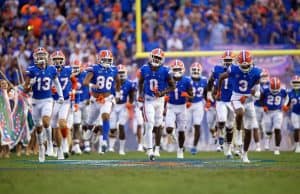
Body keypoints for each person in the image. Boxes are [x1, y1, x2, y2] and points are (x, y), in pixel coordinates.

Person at [217, 50, 262, 163]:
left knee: (248, 130)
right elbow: (221, 77)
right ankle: (237, 134)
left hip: (249, 101)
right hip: (236, 97)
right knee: (240, 112)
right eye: (243, 64)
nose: (245, 67)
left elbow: (257, 93)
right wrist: (218, 91)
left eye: (247, 64)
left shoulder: (256, 72)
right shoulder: (234, 69)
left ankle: (245, 154)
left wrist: (253, 94)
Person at [23, 47, 64, 162]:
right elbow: (25, 90)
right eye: (38, 56)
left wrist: (60, 96)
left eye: (42, 55)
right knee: (38, 127)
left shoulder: (51, 69)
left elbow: (56, 83)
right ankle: (41, 146)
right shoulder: (31, 70)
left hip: (47, 100)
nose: (41, 58)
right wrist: (30, 84)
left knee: (46, 121)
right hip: (35, 101)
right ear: (35, 57)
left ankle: (50, 144)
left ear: (46, 57)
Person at [138, 48, 175, 160]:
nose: (157, 59)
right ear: (151, 57)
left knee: (158, 125)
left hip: (160, 100)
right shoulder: (144, 69)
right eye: (155, 57)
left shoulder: (165, 70)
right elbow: (140, 82)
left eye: (159, 58)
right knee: (150, 124)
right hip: (148, 100)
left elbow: (173, 86)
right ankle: (150, 151)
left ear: (162, 59)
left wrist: (162, 93)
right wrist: (140, 94)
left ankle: (157, 149)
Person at [83, 50, 120, 154]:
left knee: (105, 116)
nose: (107, 62)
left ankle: (104, 141)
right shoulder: (94, 68)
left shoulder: (113, 69)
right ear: (99, 59)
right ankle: (91, 130)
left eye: (109, 60)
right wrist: (92, 85)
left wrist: (118, 94)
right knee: (90, 122)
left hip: (107, 99)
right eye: (105, 60)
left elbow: (118, 81)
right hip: (95, 100)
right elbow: (85, 82)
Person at [50, 50, 77, 159]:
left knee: (62, 123)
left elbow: (74, 80)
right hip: (52, 101)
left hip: (65, 101)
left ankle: (65, 144)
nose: (57, 62)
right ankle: (58, 148)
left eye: (59, 60)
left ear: (63, 60)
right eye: (55, 60)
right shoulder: (49, 71)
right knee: (54, 127)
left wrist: (73, 90)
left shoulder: (68, 70)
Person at [207, 50, 234, 158]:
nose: (227, 62)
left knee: (230, 126)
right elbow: (210, 81)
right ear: (222, 60)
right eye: (226, 60)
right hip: (221, 100)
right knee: (222, 120)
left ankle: (228, 149)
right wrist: (209, 92)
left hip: (233, 101)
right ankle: (221, 135)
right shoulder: (217, 69)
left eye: (229, 60)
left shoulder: (237, 70)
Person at [165, 59, 193, 158]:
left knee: (181, 131)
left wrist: (187, 96)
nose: (176, 71)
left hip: (182, 107)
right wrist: (164, 96)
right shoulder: (168, 79)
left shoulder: (186, 80)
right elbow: (163, 91)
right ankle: (171, 134)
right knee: (168, 128)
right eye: (175, 69)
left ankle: (180, 150)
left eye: (178, 69)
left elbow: (192, 96)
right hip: (171, 107)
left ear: (183, 69)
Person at [109, 64, 135, 155]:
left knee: (121, 125)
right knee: (112, 127)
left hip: (123, 106)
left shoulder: (129, 83)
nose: (120, 74)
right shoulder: (112, 83)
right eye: (119, 73)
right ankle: (111, 147)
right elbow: (109, 95)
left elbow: (132, 97)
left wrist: (130, 103)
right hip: (114, 106)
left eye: (122, 72)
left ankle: (121, 149)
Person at [260, 77, 288, 155]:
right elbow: (260, 99)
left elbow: (288, 98)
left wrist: (285, 105)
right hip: (268, 112)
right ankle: (267, 144)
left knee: (277, 129)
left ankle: (277, 148)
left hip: (278, 112)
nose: (275, 92)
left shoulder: (283, 90)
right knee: (268, 131)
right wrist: (263, 106)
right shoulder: (265, 90)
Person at [187, 62, 207, 155]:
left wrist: (208, 102)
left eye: (197, 70)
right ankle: (183, 144)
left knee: (197, 125)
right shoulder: (187, 80)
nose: (195, 71)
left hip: (198, 104)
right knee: (184, 126)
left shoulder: (204, 80)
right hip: (187, 105)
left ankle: (194, 146)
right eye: (194, 70)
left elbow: (207, 93)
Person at [71, 60, 90, 155]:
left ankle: (86, 144)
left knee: (86, 124)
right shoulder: (69, 76)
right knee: (76, 124)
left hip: (85, 102)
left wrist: (90, 98)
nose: (75, 70)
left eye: (77, 68)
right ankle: (76, 145)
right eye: (73, 68)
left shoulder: (86, 74)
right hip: (76, 103)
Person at [253, 69, 270, 151]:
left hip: (266, 108)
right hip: (257, 106)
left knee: (266, 125)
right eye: (262, 76)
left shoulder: (271, 85)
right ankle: (258, 145)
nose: (264, 78)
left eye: (265, 76)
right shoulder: (256, 83)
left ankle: (266, 145)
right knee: (257, 125)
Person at [286, 75, 300, 153]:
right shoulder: (290, 92)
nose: (296, 84)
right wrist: (286, 107)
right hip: (294, 113)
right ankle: (297, 145)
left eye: (297, 82)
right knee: (296, 129)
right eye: (295, 82)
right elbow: (287, 103)